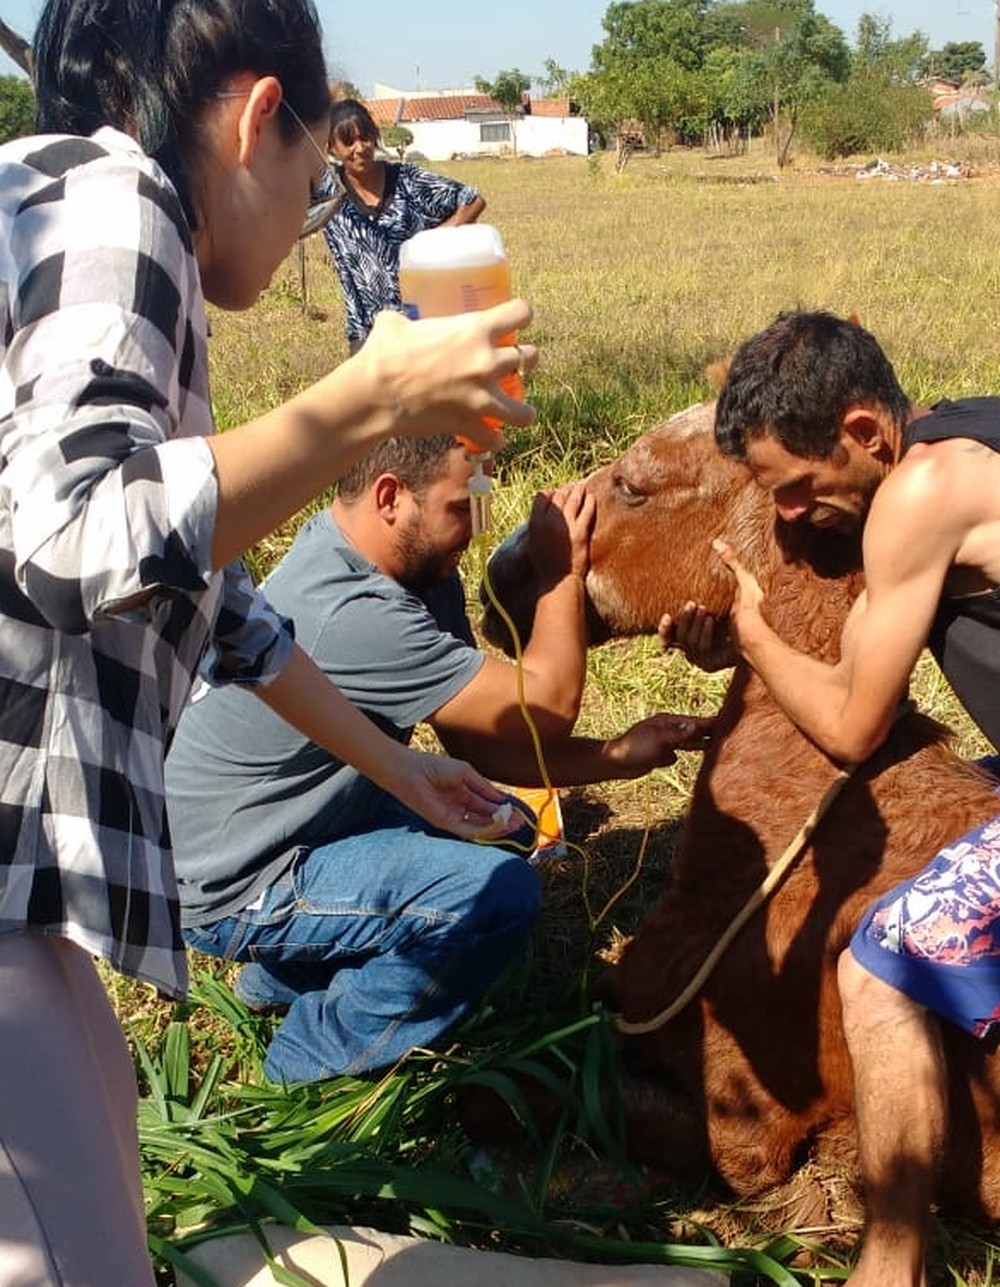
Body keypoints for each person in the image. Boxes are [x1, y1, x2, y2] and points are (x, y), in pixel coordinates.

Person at [0, 1, 541, 1282]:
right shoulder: (119, 204)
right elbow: (79, 537)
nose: (308, 216)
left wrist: (403, 771)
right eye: (308, 178)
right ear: (257, 118)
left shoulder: (55, 207)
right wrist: (361, 399)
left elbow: (215, 603)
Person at [166, 433, 714, 1084]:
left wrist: (621, 755)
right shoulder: (355, 613)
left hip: (297, 818)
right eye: (463, 506)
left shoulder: (407, 565)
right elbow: (546, 704)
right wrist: (561, 570)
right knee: (496, 896)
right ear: (391, 497)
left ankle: (285, 975)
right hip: (237, 879)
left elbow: (485, 743)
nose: (477, 528)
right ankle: (310, 1059)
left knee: (507, 828)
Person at [677, 309, 1000, 1287]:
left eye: (798, 486)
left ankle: (892, 1264)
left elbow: (854, 726)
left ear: (865, 431)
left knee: (881, 965)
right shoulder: (966, 430)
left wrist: (753, 633)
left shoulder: (916, 496)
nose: (785, 513)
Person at [320, 98, 486, 352]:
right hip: (367, 331)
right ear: (332, 149)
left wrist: (435, 239)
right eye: (348, 142)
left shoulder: (407, 180)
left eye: (365, 138)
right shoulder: (330, 193)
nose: (360, 148)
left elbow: (472, 200)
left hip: (425, 322)